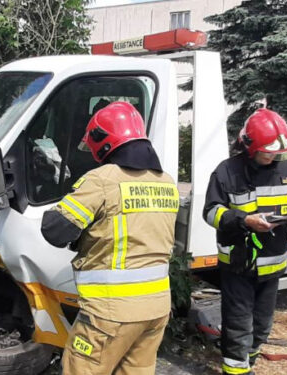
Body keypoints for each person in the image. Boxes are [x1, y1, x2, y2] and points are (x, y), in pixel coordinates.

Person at [41, 102, 178, 375]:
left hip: (110, 314)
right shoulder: (166, 182)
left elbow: (55, 230)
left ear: (103, 142)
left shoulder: (103, 179)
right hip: (157, 308)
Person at [203, 108, 287, 375]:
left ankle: (248, 360)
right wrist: (245, 220)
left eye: (278, 152)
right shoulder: (227, 171)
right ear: (250, 147)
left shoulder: (286, 170)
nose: (275, 156)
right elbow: (210, 212)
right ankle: (237, 370)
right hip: (239, 263)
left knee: (262, 324)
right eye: (269, 152)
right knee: (239, 322)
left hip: (273, 264)